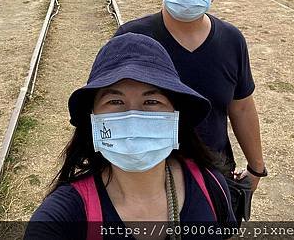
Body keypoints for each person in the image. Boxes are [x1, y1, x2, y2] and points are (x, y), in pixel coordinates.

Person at [26, 33, 235, 240]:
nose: (133, 117)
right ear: (92, 118)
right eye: (115, 102)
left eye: (152, 101)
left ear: (175, 115)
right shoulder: (60, 221)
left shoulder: (211, 185)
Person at [115, 0, 265, 224]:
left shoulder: (231, 41)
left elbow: (242, 107)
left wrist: (256, 167)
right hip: (144, 180)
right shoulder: (131, 40)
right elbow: (108, 109)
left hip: (213, 175)